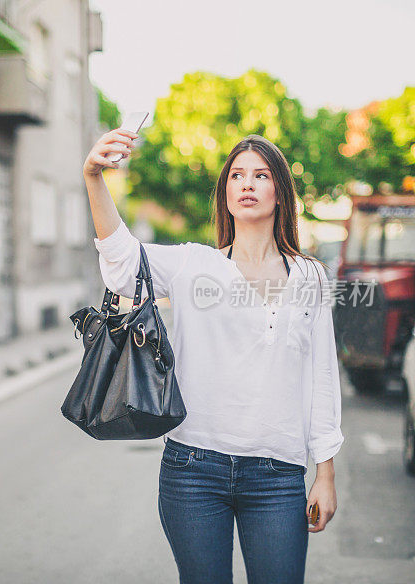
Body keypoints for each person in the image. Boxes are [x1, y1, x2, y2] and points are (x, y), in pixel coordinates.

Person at [82, 130, 343, 584]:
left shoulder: (310, 276)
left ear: (279, 191)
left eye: (261, 175)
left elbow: (322, 378)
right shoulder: (194, 265)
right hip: (193, 470)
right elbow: (122, 263)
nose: (247, 183)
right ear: (225, 194)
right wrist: (93, 178)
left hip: (277, 476)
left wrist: (325, 474)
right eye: (237, 175)